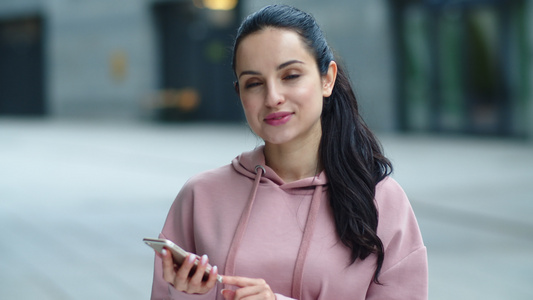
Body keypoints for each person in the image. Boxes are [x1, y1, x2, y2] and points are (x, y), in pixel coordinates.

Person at [150, 4, 427, 300]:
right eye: (254, 83)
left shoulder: (381, 200)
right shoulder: (200, 197)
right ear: (240, 94)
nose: (273, 97)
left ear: (327, 78)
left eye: (291, 75)